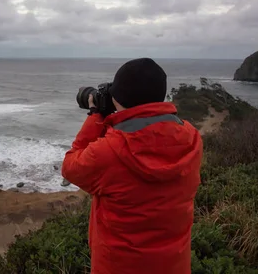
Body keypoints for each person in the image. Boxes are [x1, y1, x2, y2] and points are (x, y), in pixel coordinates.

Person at [61, 58, 203, 274]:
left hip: (117, 267)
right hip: (174, 265)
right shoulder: (192, 139)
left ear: (117, 98)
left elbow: (70, 167)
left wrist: (96, 115)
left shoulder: (109, 152)